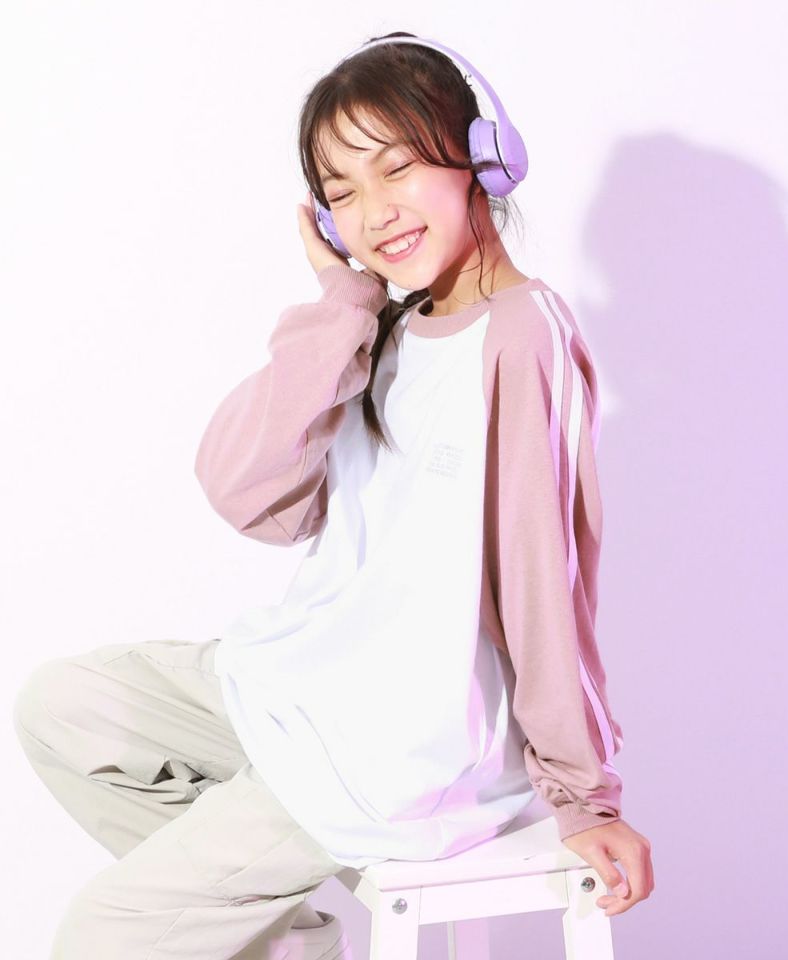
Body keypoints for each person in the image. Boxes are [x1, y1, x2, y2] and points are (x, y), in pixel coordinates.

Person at [12, 29, 654, 960]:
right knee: (67, 706)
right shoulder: (383, 326)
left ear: (481, 159)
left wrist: (583, 794)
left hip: (387, 744)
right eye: (341, 190)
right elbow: (247, 493)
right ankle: (291, 941)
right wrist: (341, 304)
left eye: (397, 168)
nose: (374, 211)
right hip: (304, 686)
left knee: (103, 936)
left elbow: (540, 581)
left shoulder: (521, 336)